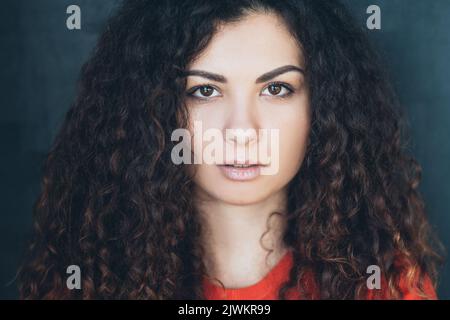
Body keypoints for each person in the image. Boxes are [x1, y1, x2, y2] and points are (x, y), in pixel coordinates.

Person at [18, 0, 443, 299]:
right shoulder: (83, 284)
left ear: (324, 105)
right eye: (204, 91)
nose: (242, 130)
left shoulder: (382, 287)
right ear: (154, 108)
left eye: (277, 88)